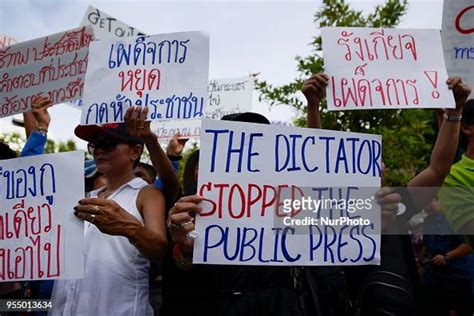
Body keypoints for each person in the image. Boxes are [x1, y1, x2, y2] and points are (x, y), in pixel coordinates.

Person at [50, 113, 168, 315]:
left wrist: (130, 229)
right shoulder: (85, 196)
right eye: (94, 144)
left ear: (135, 151)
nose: (99, 150)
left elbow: (160, 251)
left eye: (108, 143)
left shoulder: (146, 194)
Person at [422, 200, 473, 316]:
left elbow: (469, 245)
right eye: (425, 204)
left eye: (430, 202)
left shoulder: (455, 218)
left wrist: (447, 257)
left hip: (460, 275)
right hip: (437, 277)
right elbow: (426, 245)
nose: (427, 206)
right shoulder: (427, 221)